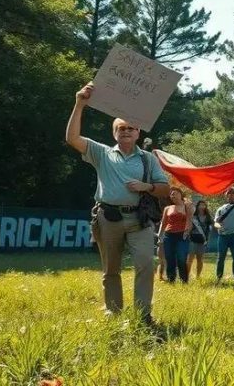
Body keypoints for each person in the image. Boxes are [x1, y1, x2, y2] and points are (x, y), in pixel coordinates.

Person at [65, 81, 169, 324]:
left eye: (131, 128)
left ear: (137, 133)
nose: (126, 131)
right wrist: (79, 104)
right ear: (114, 133)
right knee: (110, 269)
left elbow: (165, 188)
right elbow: (72, 138)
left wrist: (148, 187)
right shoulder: (101, 153)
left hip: (139, 220)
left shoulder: (148, 159)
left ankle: (143, 315)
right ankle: (113, 312)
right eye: (121, 128)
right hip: (108, 218)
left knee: (145, 264)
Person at [158, 188, 192, 283]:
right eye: (171, 194)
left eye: (175, 193)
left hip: (182, 235)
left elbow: (190, 220)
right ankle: (171, 279)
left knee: (181, 257)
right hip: (169, 236)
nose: (173, 196)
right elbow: (163, 223)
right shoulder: (167, 208)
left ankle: (184, 280)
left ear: (181, 194)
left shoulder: (187, 206)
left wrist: (187, 231)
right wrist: (160, 236)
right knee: (169, 258)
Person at [187, 200, 214, 279]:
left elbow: (214, 225)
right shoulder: (193, 217)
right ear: (197, 206)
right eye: (200, 205)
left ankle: (198, 277)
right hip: (193, 239)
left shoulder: (208, 217)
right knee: (190, 259)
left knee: (200, 259)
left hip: (202, 241)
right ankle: (186, 276)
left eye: (204, 205)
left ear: (206, 207)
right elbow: (189, 227)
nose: (202, 207)